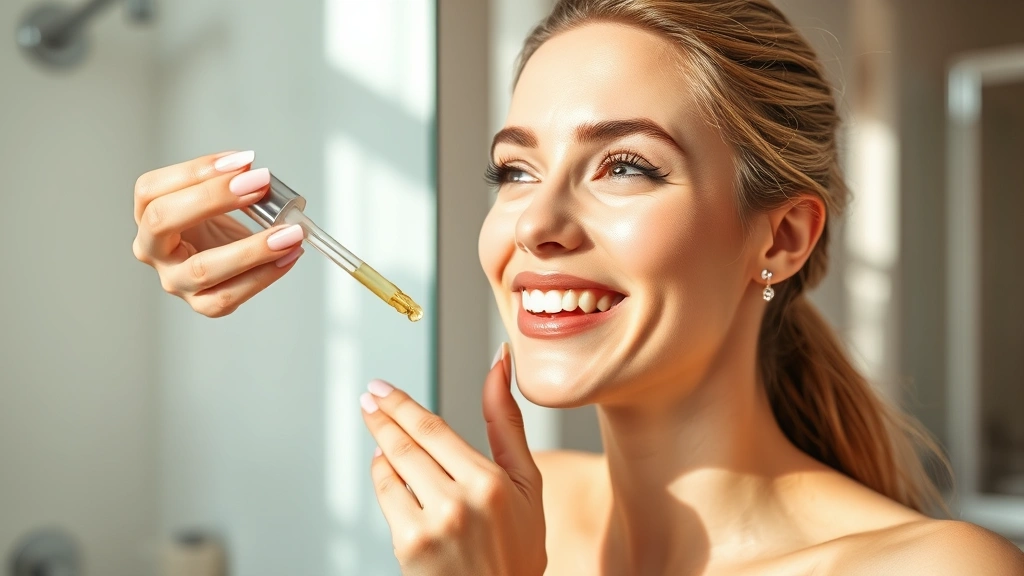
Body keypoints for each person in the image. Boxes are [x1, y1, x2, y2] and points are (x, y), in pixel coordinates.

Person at [132, 0, 1024, 573]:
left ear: (781, 238)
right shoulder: (521, 508)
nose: (535, 224)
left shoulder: (936, 570)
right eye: (515, 172)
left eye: (626, 166)